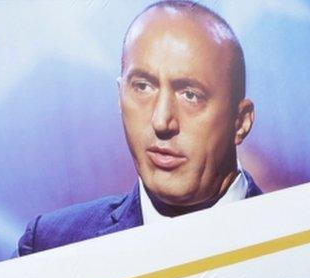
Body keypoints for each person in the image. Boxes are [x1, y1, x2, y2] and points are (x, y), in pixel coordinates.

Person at [17, 1, 260, 256]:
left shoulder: (300, 243)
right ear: (119, 96)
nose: (161, 121)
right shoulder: (50, 246)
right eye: (143, 87)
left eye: (190, 95)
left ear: (241, 121)